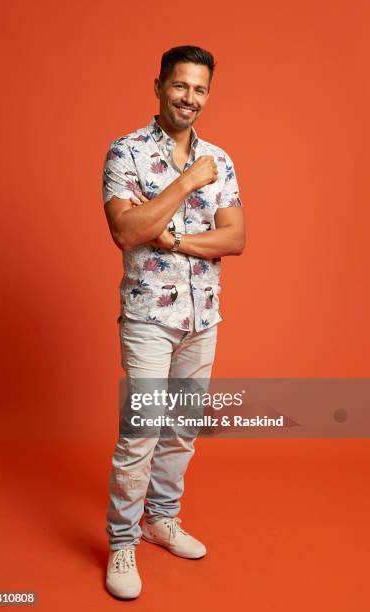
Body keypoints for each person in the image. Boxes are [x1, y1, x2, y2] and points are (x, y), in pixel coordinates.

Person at [101, 45, 245, 599]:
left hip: (203, 317)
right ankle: (121, 542)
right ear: (159, 85)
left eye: (200, 89)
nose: (190, 98)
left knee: (182, 429)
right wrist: (184, 185)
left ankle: (160, 519)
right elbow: (125, 230)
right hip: (148, 316)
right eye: (181, 86)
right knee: (140, 432)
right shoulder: (126, 153)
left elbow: (235, 239)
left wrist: (174, 236)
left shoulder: (222, 159)